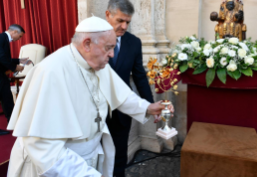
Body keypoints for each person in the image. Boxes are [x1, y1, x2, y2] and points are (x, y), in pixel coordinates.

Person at [7, 16, 173, 177]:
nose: (112, 55)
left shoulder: (97, 63)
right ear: (87, 44)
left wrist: (148, 108)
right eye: (108, 48)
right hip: (59, 168)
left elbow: (121, 94)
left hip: (89, 159)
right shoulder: (50, 71)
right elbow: (43, 147)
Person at [105, 0, 155, 177]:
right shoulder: (93, 39)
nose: (124, 26)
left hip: (122, 111)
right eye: (120, 21)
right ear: (108, 15)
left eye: (127, 22)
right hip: (97, 111)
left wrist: (150, 105)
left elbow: (140, 76)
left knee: (119, 155)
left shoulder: (134, 42)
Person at [0, 24, 30, 135]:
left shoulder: (4, 38)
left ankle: (12, 123)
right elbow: (1, 57)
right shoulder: (1, 38)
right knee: (5, 97)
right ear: (14, 32)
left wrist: (19, 60)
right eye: (20, 36)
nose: (19, 39)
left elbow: (5, 58)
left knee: (7, 98)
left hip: (2, 75)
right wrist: (15, 67)